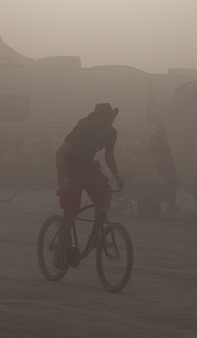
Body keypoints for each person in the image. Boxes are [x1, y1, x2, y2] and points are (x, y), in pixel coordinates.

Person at [54, 103, 125, 269]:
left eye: (112, 119)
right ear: (96, 117)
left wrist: (117, 175)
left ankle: (96, 236)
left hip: (89, 168)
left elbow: (109, 155)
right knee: (70, 213)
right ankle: (59, 251)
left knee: (105, 194)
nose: (110, 122)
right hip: (70, 172)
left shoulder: (111, 133)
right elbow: (60, 153)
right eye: (106, 118)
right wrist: (63, 176)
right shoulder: (82, 130)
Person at [147, 124, 181, 211]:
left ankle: (157, 204)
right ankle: (170, 204)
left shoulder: (157, 133)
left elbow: (150, 149)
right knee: (173, 183)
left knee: (158, 184)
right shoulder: (169, 135)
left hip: (157, 163)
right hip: (168, 162)